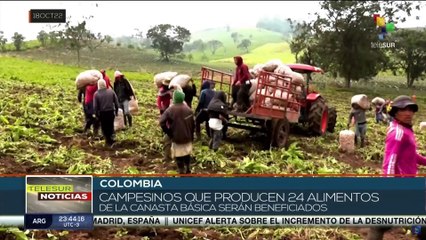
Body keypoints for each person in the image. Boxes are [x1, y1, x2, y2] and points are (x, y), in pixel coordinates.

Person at [367, 95, 426, 239]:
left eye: (411, 109)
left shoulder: (405, 130)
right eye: (404, 109)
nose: (408, 113)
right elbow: (389, 162)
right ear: (395, 112)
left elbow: (412, 155)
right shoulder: (397, 132)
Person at [159, 90, 195, 174]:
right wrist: (191, 135)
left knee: (178, 154)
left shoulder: (170, 109)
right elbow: (193, 124)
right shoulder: (188, 109)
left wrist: (168, 132)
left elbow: (162, 122)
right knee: (186, 153)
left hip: (176, 136)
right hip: (187, 136)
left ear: (174, 98)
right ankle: (188, 168)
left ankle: (181, 170)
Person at [93, 79, 120, 147]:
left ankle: (108, 141)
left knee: (104, 127)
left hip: (103, 113)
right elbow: (116, 103)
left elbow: (95, 106)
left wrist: (96, 114)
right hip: (111, 112)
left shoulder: (96, 94)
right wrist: (116, 111)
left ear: (98, 85)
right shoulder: (111, 91)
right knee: (110, 126)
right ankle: (111, 139)